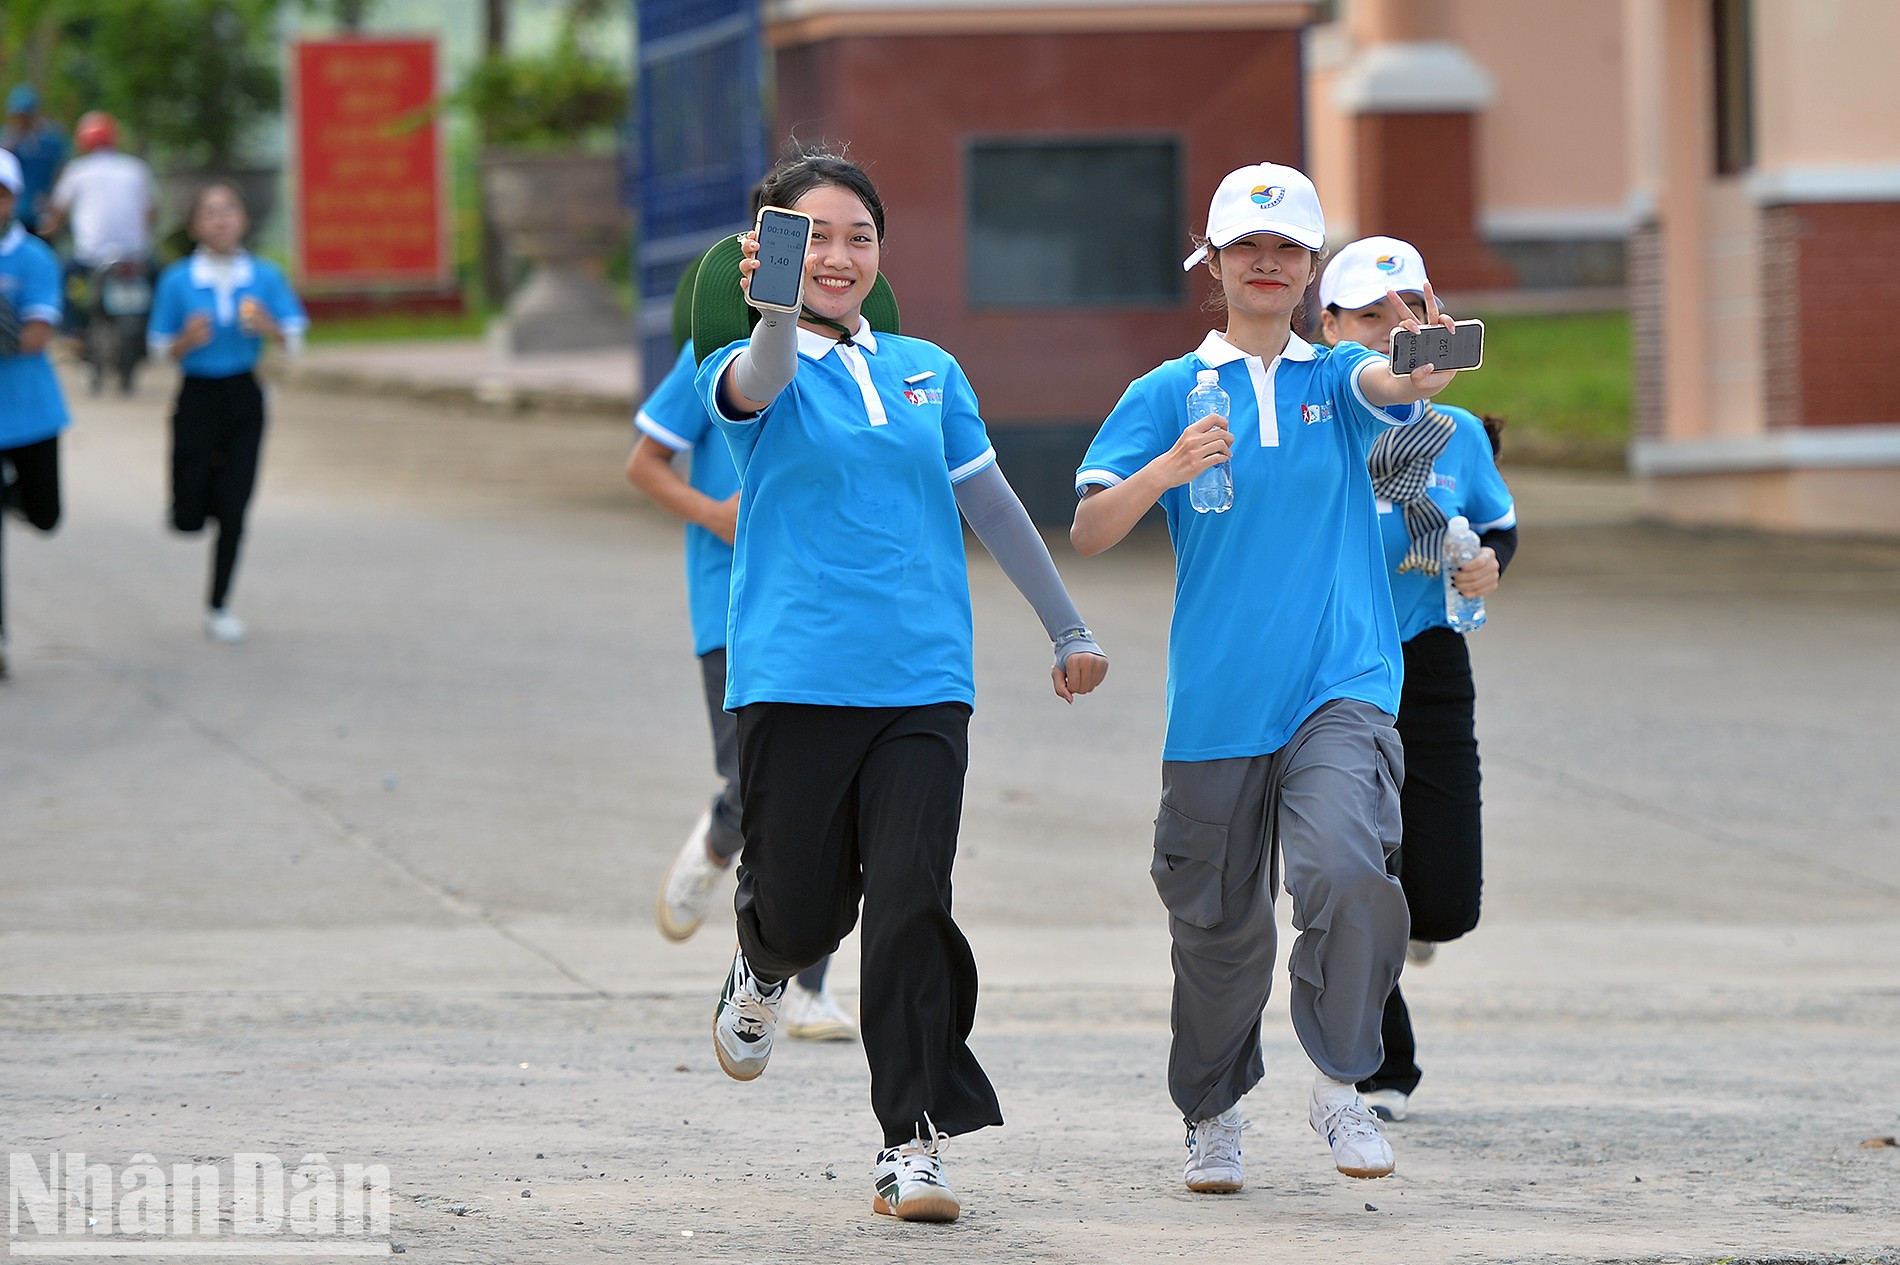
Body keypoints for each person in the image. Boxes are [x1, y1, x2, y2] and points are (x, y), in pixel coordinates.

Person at [695, 146, 1108, 1224]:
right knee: (800, 904)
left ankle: (909, 1141)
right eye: (811, 236)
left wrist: (1067, 627)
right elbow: (762, 376)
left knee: (914, 903)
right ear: (772, 251)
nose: (839, 255)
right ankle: (763, 960)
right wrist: (774, 307)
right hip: (794, 678)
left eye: (857, 236)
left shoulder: (930, 368)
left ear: (882, 252)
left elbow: (994, 503)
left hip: (924, 682)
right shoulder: (750, 363)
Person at [1071, 163, 1466, 1195]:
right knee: (1216, 928)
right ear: (1214, 261)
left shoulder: (1333, 379)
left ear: (1307, 270)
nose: (1265, 263)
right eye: (1246, 246)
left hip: (1341, 683)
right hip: (1216, 703)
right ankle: (1211, 1111)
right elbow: (1089, 526)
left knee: (1345, 867)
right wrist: (1164, 469)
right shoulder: (1162, 391)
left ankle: (1341, 1077)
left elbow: (1390, 383)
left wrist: (1422, 363)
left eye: (1286, 248)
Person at [628, 241, 858, 1044]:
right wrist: (713, 512)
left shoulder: (856, 360)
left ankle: (806, 987)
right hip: (729, 605)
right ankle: (720, 834)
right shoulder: (713, 358)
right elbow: (645, 463)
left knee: (832, 798)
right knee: (759, 788)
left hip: (822, 607)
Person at [1316, 235, 1517, 1124]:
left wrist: (1486, 566)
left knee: (1442, 901)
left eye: (1409, 312)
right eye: (1369, 316)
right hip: (1332, 666)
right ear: (1328, 328)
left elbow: (1497, 527)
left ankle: (1420, 928)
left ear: (1436, 322)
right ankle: (1379, 1065)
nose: (1394, 330)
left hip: (1430, 661)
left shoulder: (1460, 434)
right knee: (1363, 873)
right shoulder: (1315, 422)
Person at [146, 184, 307, 643]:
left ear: (242, 220)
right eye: (210, 212)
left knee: (236, 507)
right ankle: (198, 505)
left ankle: (218, 604)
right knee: (188, 514)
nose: (221, 220)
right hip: (195, 395)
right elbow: (158, 350)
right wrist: (185, 341)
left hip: (243, 393)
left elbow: (295, 339)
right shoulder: (178, 279)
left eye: (229, 210)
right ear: (196, 224)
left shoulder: (264, 277)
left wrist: (269, 327)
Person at [0, 148, 70, 679]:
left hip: (31, 412)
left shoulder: (36, 259)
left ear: (13, 198)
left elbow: (34, 338)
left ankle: (12, 494)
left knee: (45, 515)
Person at [42, 111, 156, 291]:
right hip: (136, 255)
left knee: (57, 281)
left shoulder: (77, 170)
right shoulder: (135, 168)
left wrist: (47, 229)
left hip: (91, 256)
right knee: (162, 282)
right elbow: (151, 213)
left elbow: (57, 212)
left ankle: (71, 320)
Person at [0, 85, 68, 237]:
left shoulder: (50, 140)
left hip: (40, 211)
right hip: (11, 213)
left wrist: (55, 198)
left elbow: (62, 169)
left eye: (26, 116)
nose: (22, 121)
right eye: (18, 116)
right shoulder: (6, 138)